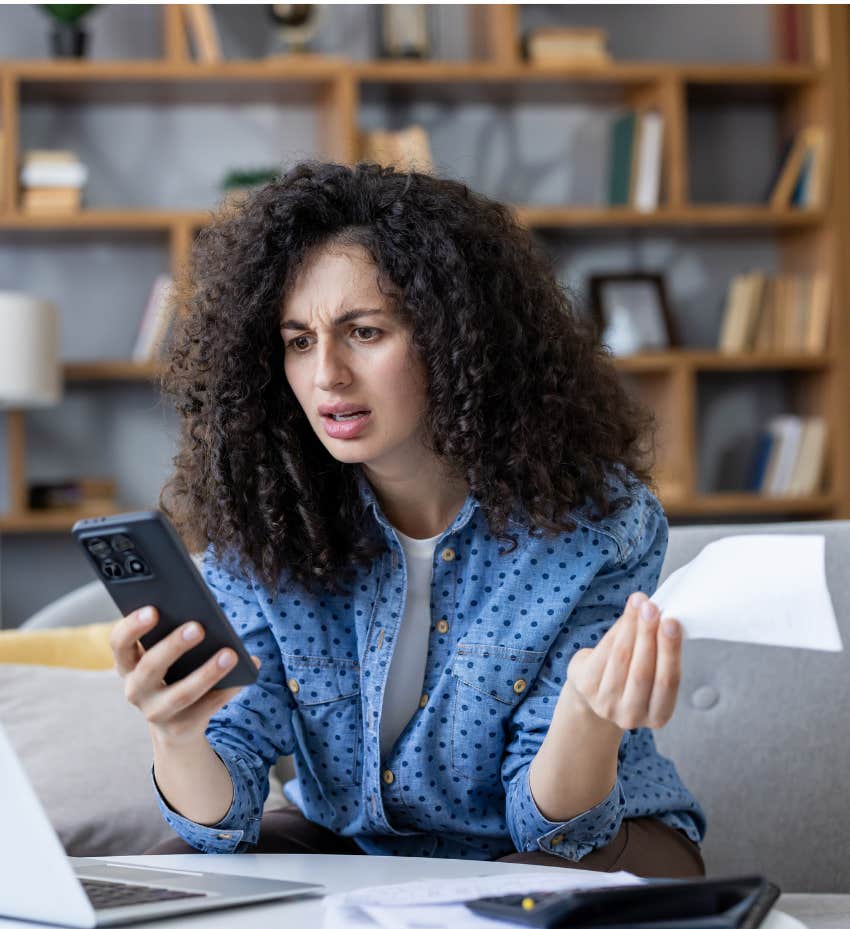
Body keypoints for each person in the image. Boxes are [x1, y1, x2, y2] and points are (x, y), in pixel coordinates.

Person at [111, 160, 706, 877]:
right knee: (172, 876)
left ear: (457, 338)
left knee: (529, 889)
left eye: (363, 332)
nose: (326, 374)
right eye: (299, 340)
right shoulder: (266, 527)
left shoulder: (597, 525)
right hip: (360, 846)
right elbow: (224, 822)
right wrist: (177, 733)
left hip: (583, 843)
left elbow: (553, 832)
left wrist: (586, 713)